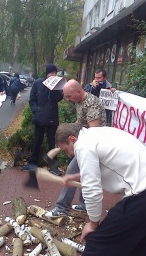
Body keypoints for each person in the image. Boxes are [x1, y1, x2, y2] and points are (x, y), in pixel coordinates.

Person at [55, 123, 146, 256]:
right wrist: (79, 176)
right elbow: (108, 165)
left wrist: (93, 224)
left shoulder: (83, 145)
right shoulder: (99, 134)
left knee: (97, 243)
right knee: (142, 248)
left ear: (72, 139)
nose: (70, 154)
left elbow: (92, 189)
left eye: (66, 150)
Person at [45, 79, 106, 218]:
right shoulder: (79, 101)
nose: (67, 99)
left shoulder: (91, 104)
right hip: (82, 141)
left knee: (73, 170)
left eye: (69, 96)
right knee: (84, 173)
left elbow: (93, 131)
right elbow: (80, 124)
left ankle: (61, 207)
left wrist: (74, 145)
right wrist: (65, 137)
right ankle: (84, 205)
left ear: (78, 91)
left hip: (90, 145)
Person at [22, 63, 63, 175]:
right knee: (37, 141)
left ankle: (53, 166)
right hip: (40, 118)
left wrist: (56, 88)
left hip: (52, 118)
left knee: (52, 143)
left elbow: (59, 98)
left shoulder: (57, 85)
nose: (53, 75)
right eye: (51, 73)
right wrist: (36, 110)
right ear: (47, 73)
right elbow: (32, 99)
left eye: (54, 73)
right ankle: (33, 163)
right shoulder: (38, 83)